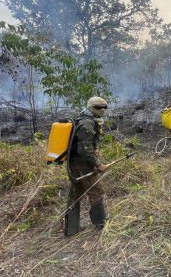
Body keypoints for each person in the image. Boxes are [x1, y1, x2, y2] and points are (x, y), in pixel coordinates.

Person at [64, 96, 109, 237]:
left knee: (75, 193)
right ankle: (101, 225)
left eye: (104, 107)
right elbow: (84, 149)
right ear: (91, 107)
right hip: (82, 164)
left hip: (75, 163)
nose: (102, 110)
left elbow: (86, 145)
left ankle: (71, 229)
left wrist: (94, 149)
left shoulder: (87, 119)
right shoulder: (87, 123)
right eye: (98, 107)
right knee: (96, 191)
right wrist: (98, 164)